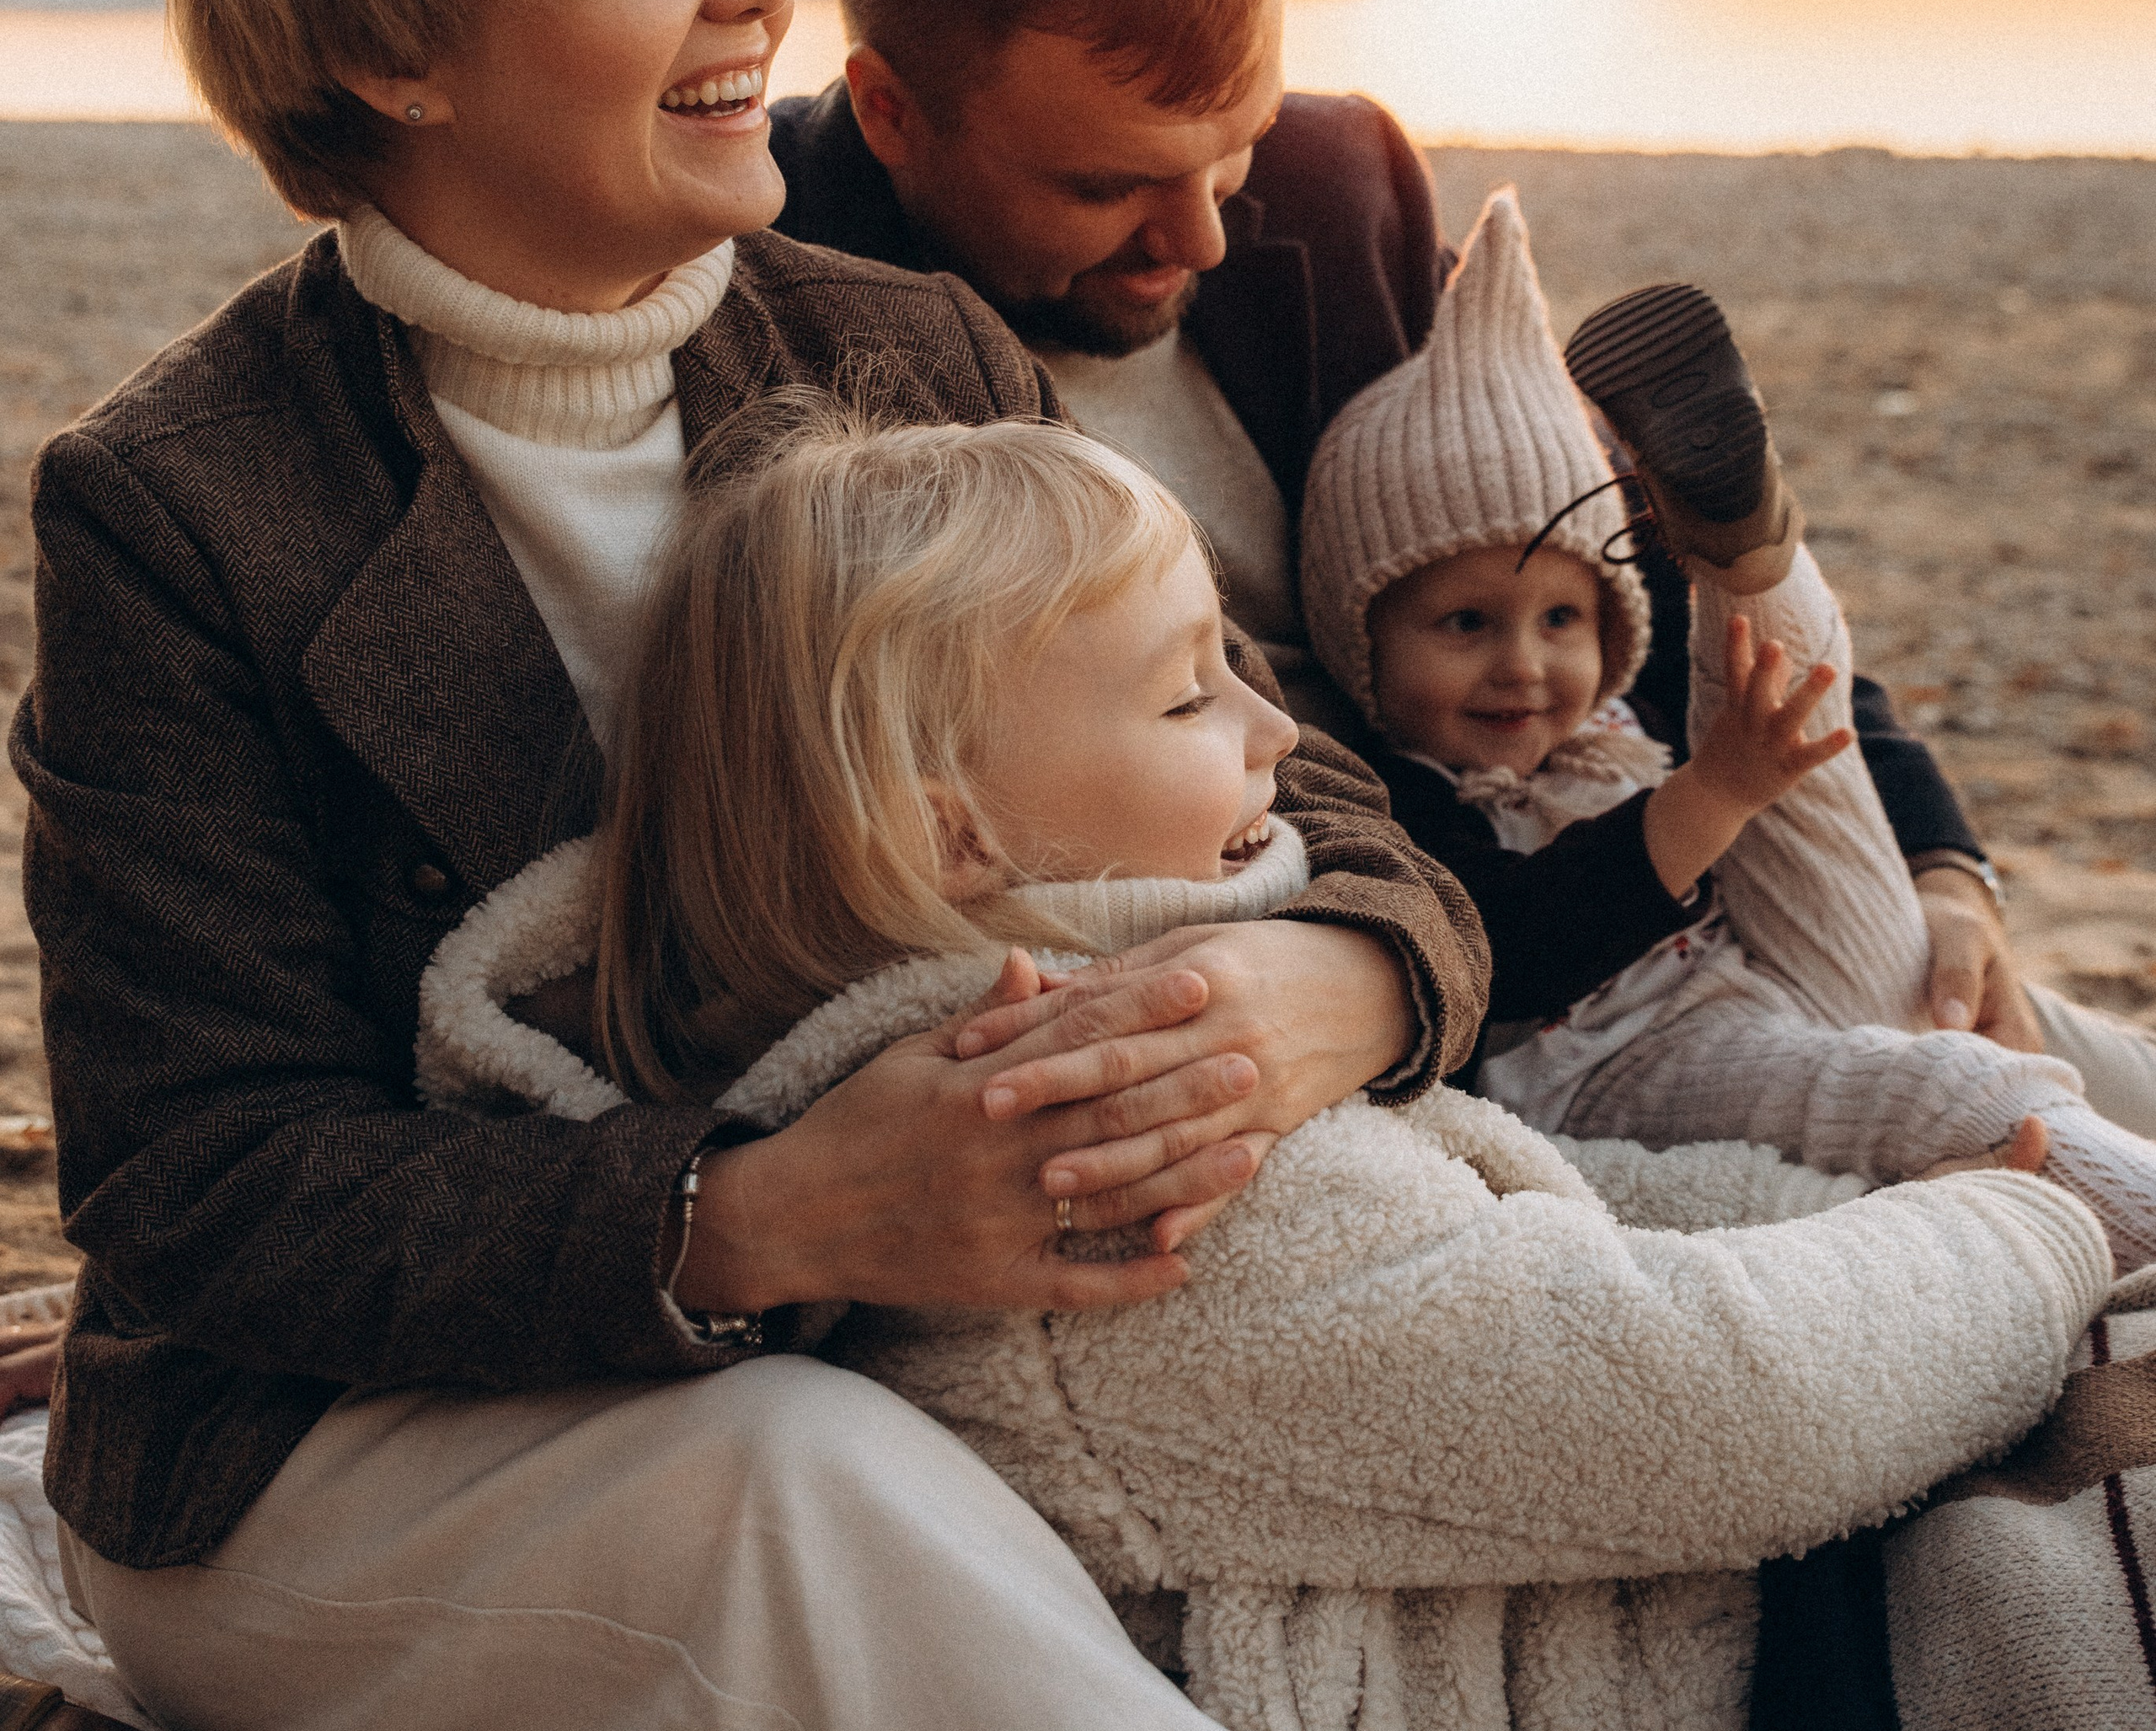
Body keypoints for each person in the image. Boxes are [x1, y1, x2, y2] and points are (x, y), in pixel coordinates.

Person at [10, 0, 1489, 1728]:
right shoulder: (178, 505)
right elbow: (202, 1187)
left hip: (921, 1352)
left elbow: (1308, 786)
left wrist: (1314, 990)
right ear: (389, 40)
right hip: (345, 1460)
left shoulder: (907, 348)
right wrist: (765, 1213)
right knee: (796, 1481)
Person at [415, 403, 2110, 1728]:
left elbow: (1561, 1211)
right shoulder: (1104, 1158)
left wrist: (1871, 1201)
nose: (1277, 734)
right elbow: (1724, 1404)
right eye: (1185, 698)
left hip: (1706, 1552)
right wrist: (2020, 1245)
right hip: (1735, 1654)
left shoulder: (1130, 1008)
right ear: (950, 824)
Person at [765, 0, 2094, 1080]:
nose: (1201, 242)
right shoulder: (781, 301)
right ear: (890, 113)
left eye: (1227, 147)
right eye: (1105, 187)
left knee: (2056, 1068)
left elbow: (1636, 542)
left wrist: (1939, 856)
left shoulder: (1338, 190)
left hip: (1677, 861)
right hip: (1406, 974)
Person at [1297, 188, 2156, 1270]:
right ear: (1358, 639)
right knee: (1928, 1078)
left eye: (1563, 618)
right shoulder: (1394, 795)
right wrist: (1712, 792)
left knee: (1784, 731)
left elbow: (1819, 758)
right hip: (1622, 1063)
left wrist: (1919, 861)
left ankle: (1746, 555)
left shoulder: (1611, 720)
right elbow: (1507, 951)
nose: (1522, 664)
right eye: (1466, 622)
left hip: (1772, 972)